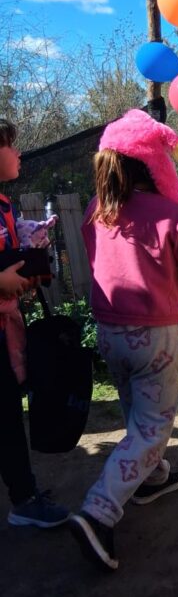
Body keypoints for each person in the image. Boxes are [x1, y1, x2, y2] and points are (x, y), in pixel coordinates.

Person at [70, 110, 178, 570]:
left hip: (108, 330)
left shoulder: (96, 210)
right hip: (153, 334)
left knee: (136, 411)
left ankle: (153, 477)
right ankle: (99, 511)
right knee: (155, 425)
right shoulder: (171, 214)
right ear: (154, 164)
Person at [0, 119, 69, 529]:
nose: (19, 153)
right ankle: (24, 500)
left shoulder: (4, 205)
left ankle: (24, 496)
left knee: (8, 411)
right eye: (10, 145)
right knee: (6, 416)